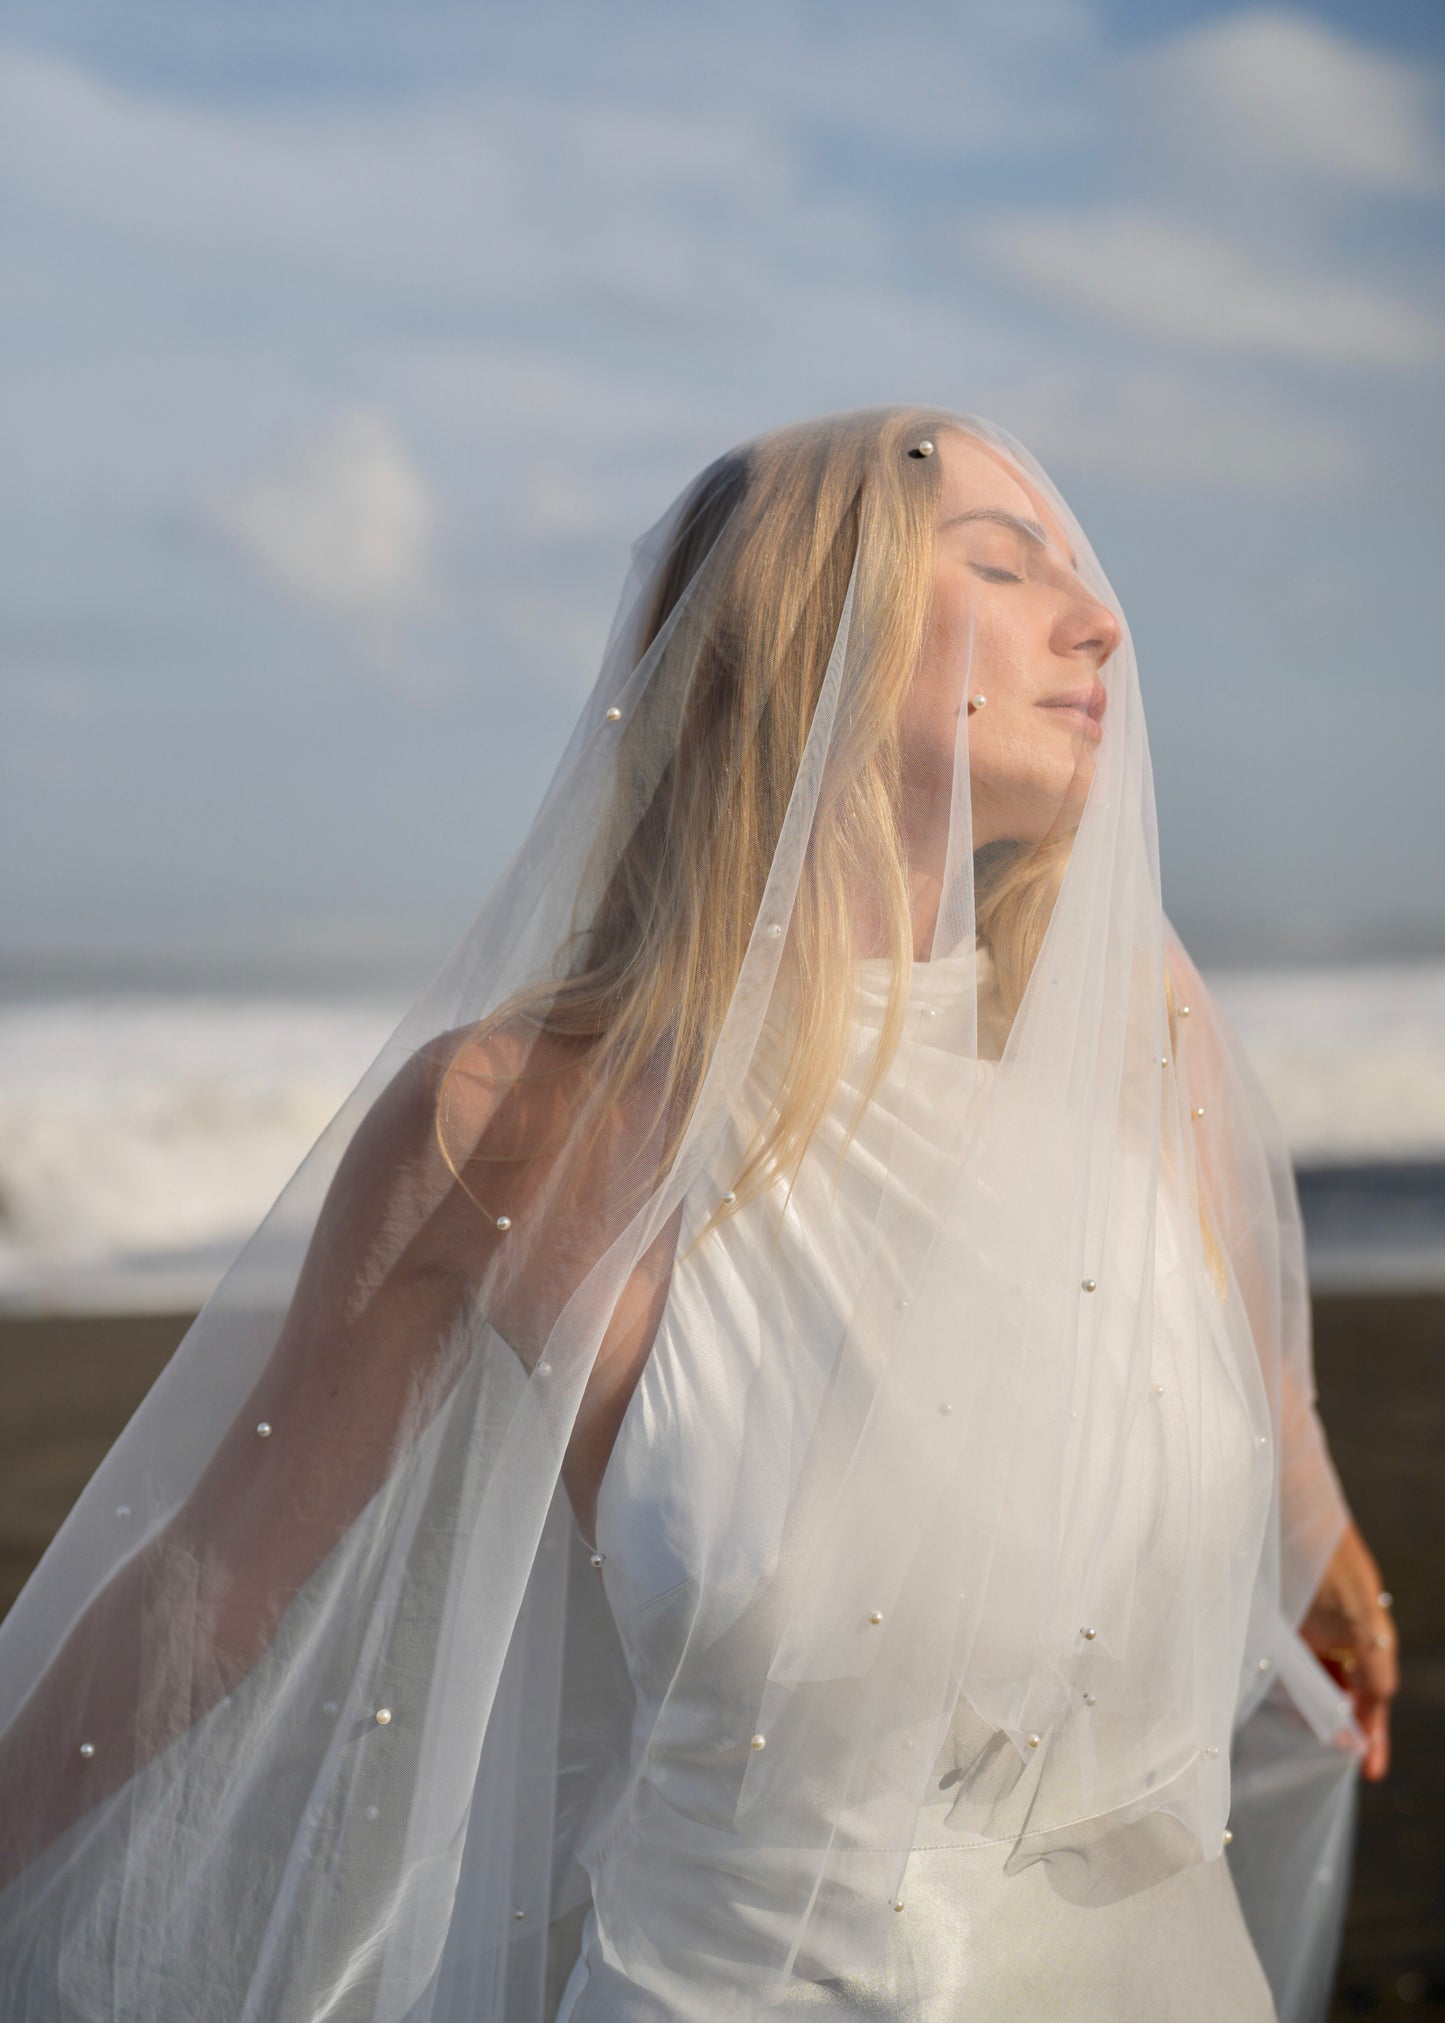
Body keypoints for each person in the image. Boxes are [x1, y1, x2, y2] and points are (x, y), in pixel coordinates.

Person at [0, 406, 1397, 2021]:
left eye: (1077, 576)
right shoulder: (514, 1120)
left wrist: (1327, 1555)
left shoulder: (1131, 1028)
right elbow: (214, 1582)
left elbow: (1245, 1361)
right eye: (1004, 567)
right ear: (806, 627)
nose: (1099, 624)